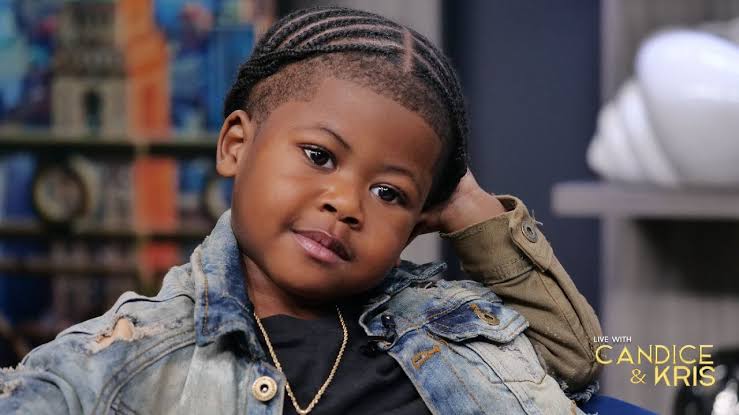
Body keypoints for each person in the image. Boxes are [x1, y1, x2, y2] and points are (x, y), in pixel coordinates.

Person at [0, 6, 602, 414]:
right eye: (319, 156)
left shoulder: (446, 323)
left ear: (420, 223)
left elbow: (575, 359)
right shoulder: (126, 357)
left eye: (389, 193)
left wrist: (467, 204)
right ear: (236, 145)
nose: (345, 203)